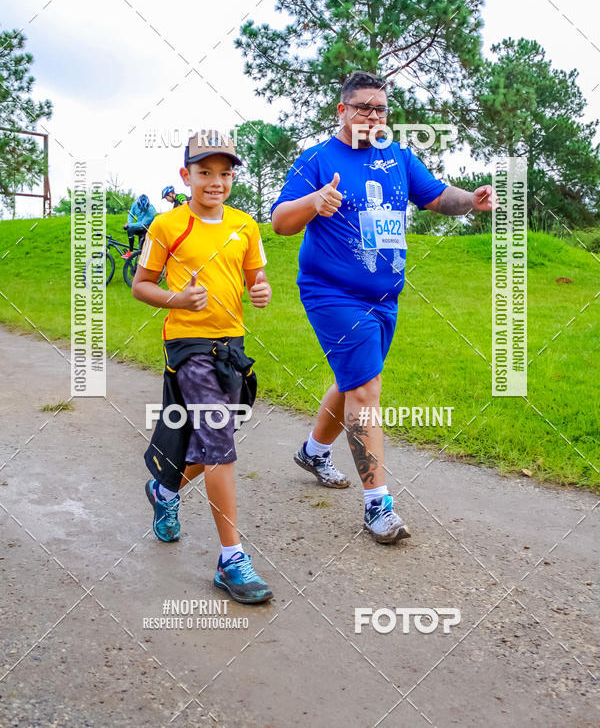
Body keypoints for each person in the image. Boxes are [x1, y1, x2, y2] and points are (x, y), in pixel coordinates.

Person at [271, 70, 495, 544]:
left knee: (354, 382)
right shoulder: (316, 160)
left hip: (384, 297)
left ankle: (313, 451)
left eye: (380, 109)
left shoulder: (397, 157)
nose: (373, 116)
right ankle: (378, 506)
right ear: (342, 110)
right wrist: (314, 201)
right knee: (367, 388)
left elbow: (437, 197)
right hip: (331, 292)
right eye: (363, 108)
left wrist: (471, 201)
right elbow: (279, 222)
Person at [132, 131, 273, 604]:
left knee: (213, 442)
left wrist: (261, 292)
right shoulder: (168, 226)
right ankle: (231, 559)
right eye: (205, 172)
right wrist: (177, 298)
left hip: (231, 346)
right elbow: (141, 285)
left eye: (224, 173)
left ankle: (164, 489)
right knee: (217, 438)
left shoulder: (245, 225)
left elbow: (256, 278)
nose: (215, 181)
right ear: (186, 175)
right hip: (188, 345)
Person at [123, 193, 156, 258]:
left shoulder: (151, 210)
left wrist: (129, 225)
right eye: (141, 209)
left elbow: (142, 224)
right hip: (139, 226)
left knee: (142, 251)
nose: (143, 211)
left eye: (144, 209)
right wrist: (129, 222)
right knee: (130, 230)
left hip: (147, 228)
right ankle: (130, 252)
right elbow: (131, 214)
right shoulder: (135, 204)